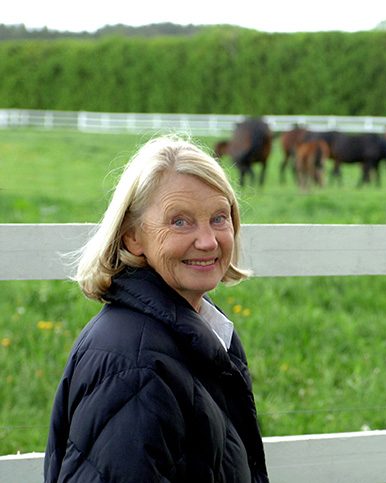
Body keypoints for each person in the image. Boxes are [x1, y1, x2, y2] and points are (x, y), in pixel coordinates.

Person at [44, 134, 268, 482]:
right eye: (180, 221)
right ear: (132, 235)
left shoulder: (201, 331)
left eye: (219, 218)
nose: (208, 241)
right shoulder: (134, 366)